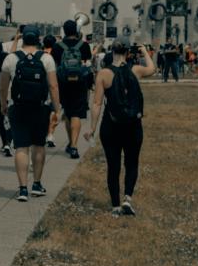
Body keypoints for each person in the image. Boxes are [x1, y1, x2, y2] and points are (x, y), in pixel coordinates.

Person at [84, 37, 155, 217]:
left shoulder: (103, 74)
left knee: (113, 165)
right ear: (127, 52)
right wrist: (144, 51)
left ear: (112, 51)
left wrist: (92, 128)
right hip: (133, 125)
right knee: (131, 163)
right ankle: (127, 199)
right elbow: (152, 69)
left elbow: (97, 104)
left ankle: (115, 205)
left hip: (111, 126)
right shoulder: (135, 70)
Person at [0, 25, 61, 202]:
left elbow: (3, 86)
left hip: (17, 107)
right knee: (38, 145)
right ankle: (36, 184)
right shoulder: (47, 59)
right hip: (40, 107)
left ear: (23, 38)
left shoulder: (11, 58)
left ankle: (23, 189)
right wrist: (57, 108)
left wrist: (3, 105)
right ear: (38, 39)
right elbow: (53, 86)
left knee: (21, 147)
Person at [51, 20, 92, 159]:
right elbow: (87, 64)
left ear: (64, 30)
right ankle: (74, 146)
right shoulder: (84, 45)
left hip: (63, 83)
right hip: (80, 83)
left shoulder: (57, 47)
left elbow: (55, 65)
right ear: (76, 30)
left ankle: (70, 143)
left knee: (68, 112)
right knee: (77, 114)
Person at [43, 35, 59, 148]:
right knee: (54, 110)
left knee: (44, 111)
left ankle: (44, 133)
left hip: (41, 85)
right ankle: (50, 134)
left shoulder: (40, 54)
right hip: (53, 84)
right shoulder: (56, 54)